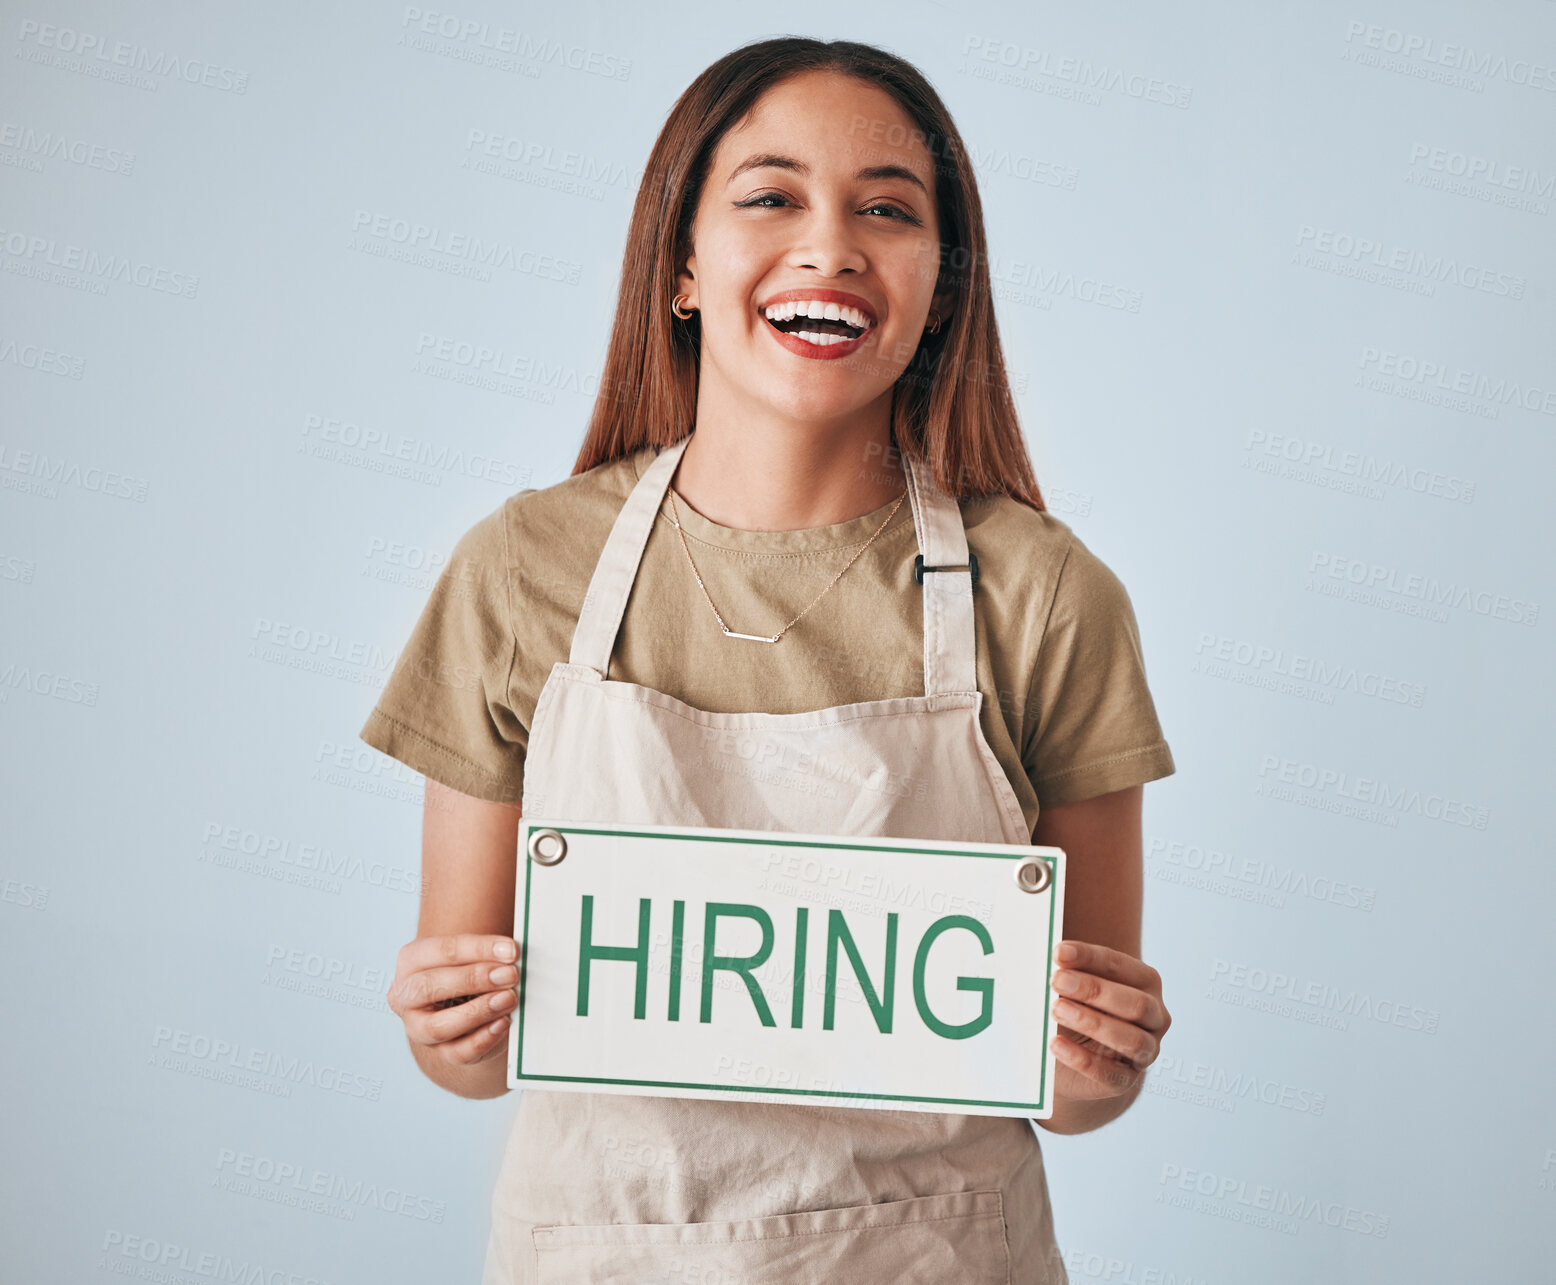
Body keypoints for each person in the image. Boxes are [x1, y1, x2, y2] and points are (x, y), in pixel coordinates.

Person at [361, 36, 1175, 1285]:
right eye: (770, 196)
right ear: (680, 267)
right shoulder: (522, 567)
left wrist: (1093, 1053)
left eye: (887, 211)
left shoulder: (1048, 596)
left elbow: (1072, 1099)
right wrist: (448, 1022)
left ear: (940, 285)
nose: (831, 246)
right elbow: (464, 1063)